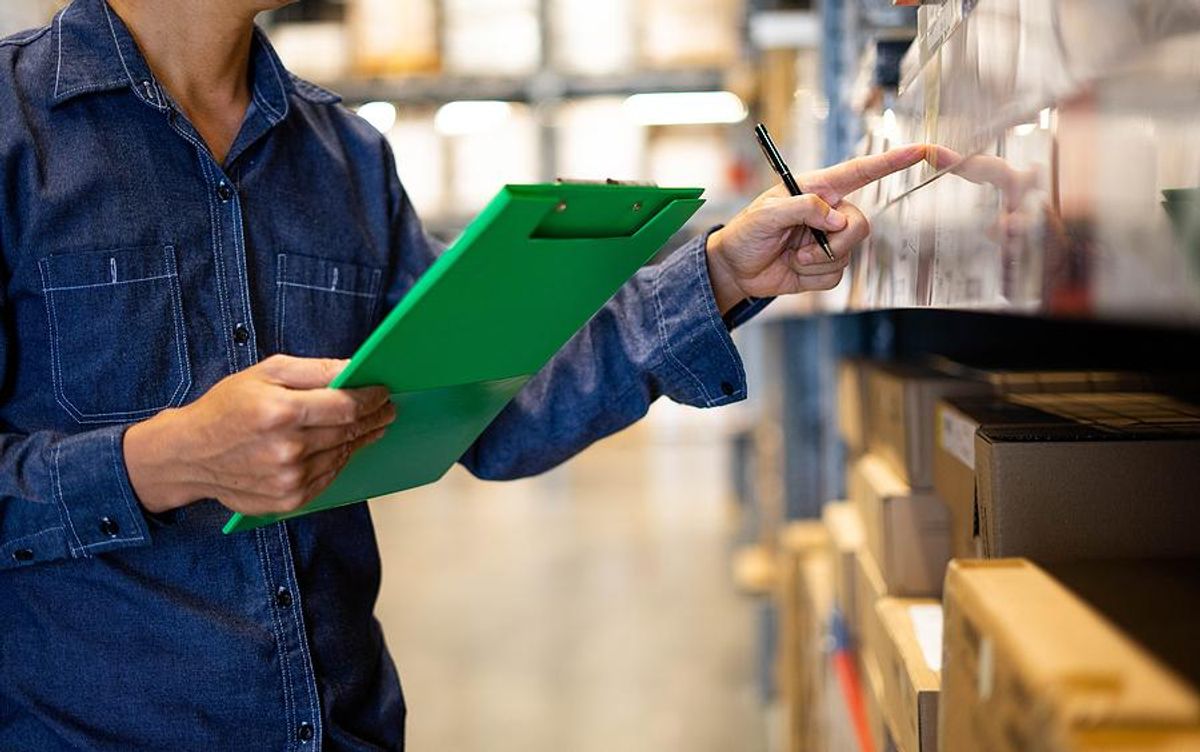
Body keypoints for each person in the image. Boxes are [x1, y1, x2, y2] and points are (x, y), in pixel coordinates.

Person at [0, 0, 924, 749]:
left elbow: (489, 404)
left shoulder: (343, 155)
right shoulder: (14, 132)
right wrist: (162, 461)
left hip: (341, 726)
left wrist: (721, 273)